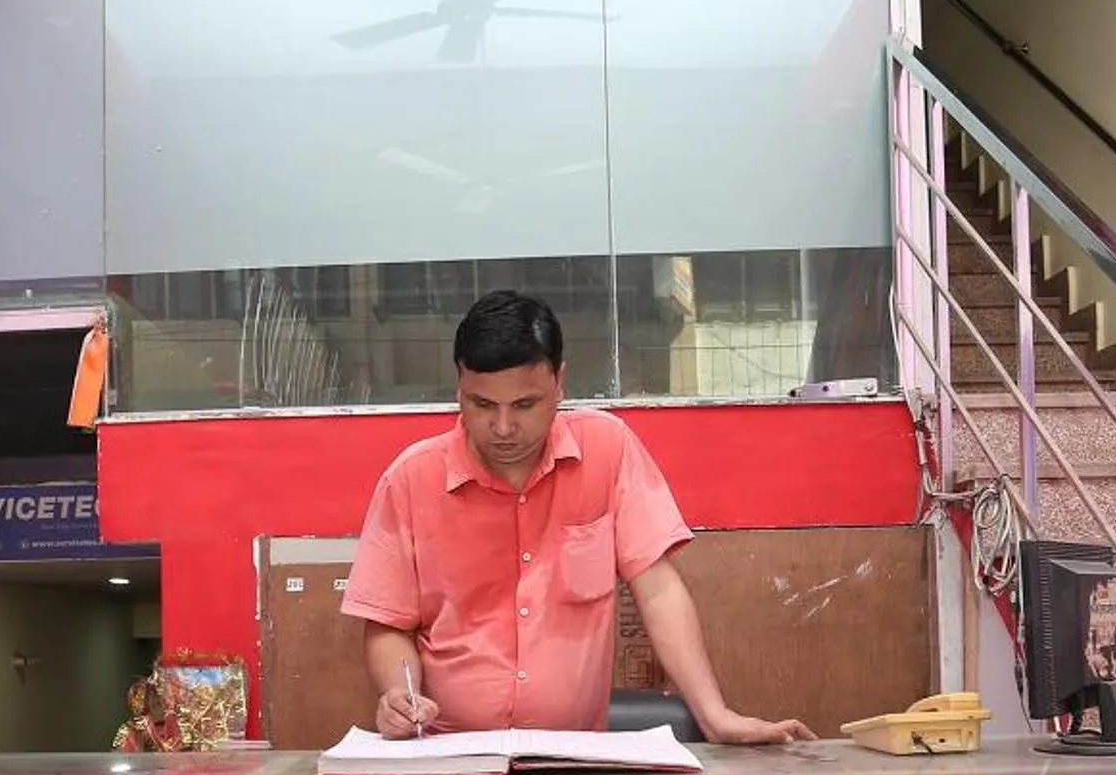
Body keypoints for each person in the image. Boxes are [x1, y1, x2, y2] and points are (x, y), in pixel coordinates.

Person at [339, 291, 815, 745]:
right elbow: (388, 622)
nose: (503, 428)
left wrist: (715, 715)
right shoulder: (411, 479)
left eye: (525, 404)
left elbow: (658, 588)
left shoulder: (606, 451)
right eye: (482, 405)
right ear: (459, 385)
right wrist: (397, 695)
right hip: (449, 756)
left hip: (572, 759)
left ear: (559, 381)